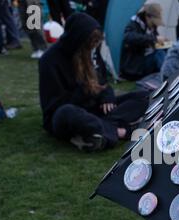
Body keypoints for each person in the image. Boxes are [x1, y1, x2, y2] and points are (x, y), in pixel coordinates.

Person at [39, 13, 149, 151]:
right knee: (67, 113)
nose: (93, 48)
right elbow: (54, 106)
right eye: (91, 44)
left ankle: (97, 132)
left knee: (143, 96)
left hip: (95, 110)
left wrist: (106, 96)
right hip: (70, 112)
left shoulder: (91, 53)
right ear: (78, 40)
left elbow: (102, 84)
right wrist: (85, 91)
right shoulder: (49, 60)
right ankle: (122, 131)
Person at [120, 3, 167, 81]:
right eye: (154, 21)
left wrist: (161, 42)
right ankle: (167, 76)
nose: (155, 25)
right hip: (135, 67)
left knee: (165, 50)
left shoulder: (151, 27)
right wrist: (154, 39)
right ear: (147, 17)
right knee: (158, 54)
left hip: (145, 62)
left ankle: (167, 74)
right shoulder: (134, 25)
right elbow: (128, 37)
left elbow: (152, 41)